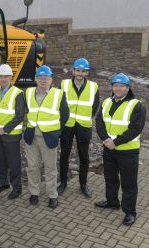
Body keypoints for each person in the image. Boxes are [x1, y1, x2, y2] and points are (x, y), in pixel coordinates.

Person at [94, 73, 146, 226]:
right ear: (112, 87)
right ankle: (112, 202)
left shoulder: (136, 105)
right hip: (109, 149)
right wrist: (105, 140)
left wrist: (115, 142)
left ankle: (130, 212)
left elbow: (135, 129)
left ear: (127, 88)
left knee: (128, 183)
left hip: (128, 151)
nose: (117, 88)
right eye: (115, 85)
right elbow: (99, 122)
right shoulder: (106, 102)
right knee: (110, 178)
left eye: (121, 86)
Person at [24, 65, 69, 209]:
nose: (43, 80)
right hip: (31, 136)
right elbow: (27, 111)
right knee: (32, 167)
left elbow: (65, 115)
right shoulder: (28, 92)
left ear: (51, 80)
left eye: (46, 78)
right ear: (36, 79)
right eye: (40, 78)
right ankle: (34, 193)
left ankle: (52, 195)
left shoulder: (58, 94)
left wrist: (56, 132)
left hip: (48, 137)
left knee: (50, 168)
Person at [58, 58, 99, 198]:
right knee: (64, 155)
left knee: (84, 157)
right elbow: (59, 104)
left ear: (87, 72)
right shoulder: (63, 84)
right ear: (73, 71)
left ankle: (83, 184)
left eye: (83, 71)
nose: (80, 73)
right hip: (67, 125)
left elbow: (95, 107)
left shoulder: (94, 87)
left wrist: (85, 116)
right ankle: (63, 183)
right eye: (77, 70)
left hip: (84, 126)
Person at [0, 64, 25, 200]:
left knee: (13, 161)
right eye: (0, 76)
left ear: (11, 77)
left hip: (10, 134)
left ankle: (17, 188)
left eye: (5, 76)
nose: (3, 79)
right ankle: (2, 183)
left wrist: (5, 129)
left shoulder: (17, 93)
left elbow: (20, 115)